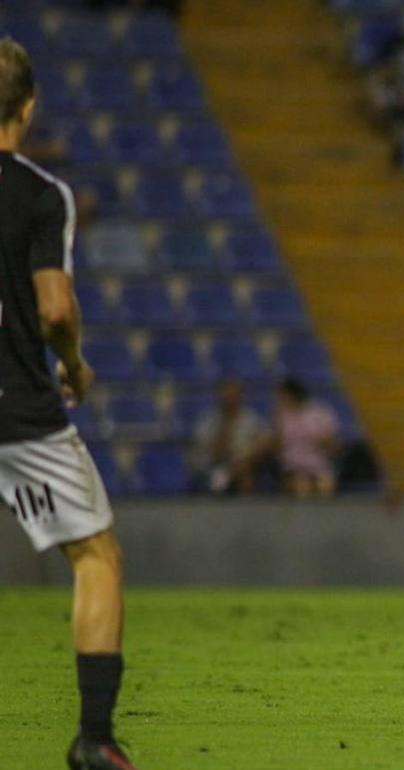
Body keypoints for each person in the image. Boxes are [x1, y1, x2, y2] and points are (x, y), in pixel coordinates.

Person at [0, 38, 142, 769]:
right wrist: (75, 367)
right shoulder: (38, 194)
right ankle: (94, 739)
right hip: (16, 409)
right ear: (28, 108)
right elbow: (55, 309)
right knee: (97, 557)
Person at [245, 377, 340, 498]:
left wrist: (319, 440)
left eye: (281, 397)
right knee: (302, 485)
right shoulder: (280, 417)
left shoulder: (320, 413)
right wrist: (277, 424)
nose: (278, 401)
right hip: (292, 468)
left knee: (325, 485)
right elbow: (275, 448)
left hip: (319, 467)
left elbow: (333, 446)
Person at [191, 376, 266, 494]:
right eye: (226, 395)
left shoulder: (251, 418)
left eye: (234, 395)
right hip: (214, 465)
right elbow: (214, 453)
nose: (230, 399)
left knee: (246, 474)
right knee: (221, 475)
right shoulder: (208, 420)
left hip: (246, 463)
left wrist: (248, 458)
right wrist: (225, 425)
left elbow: (263, 443)